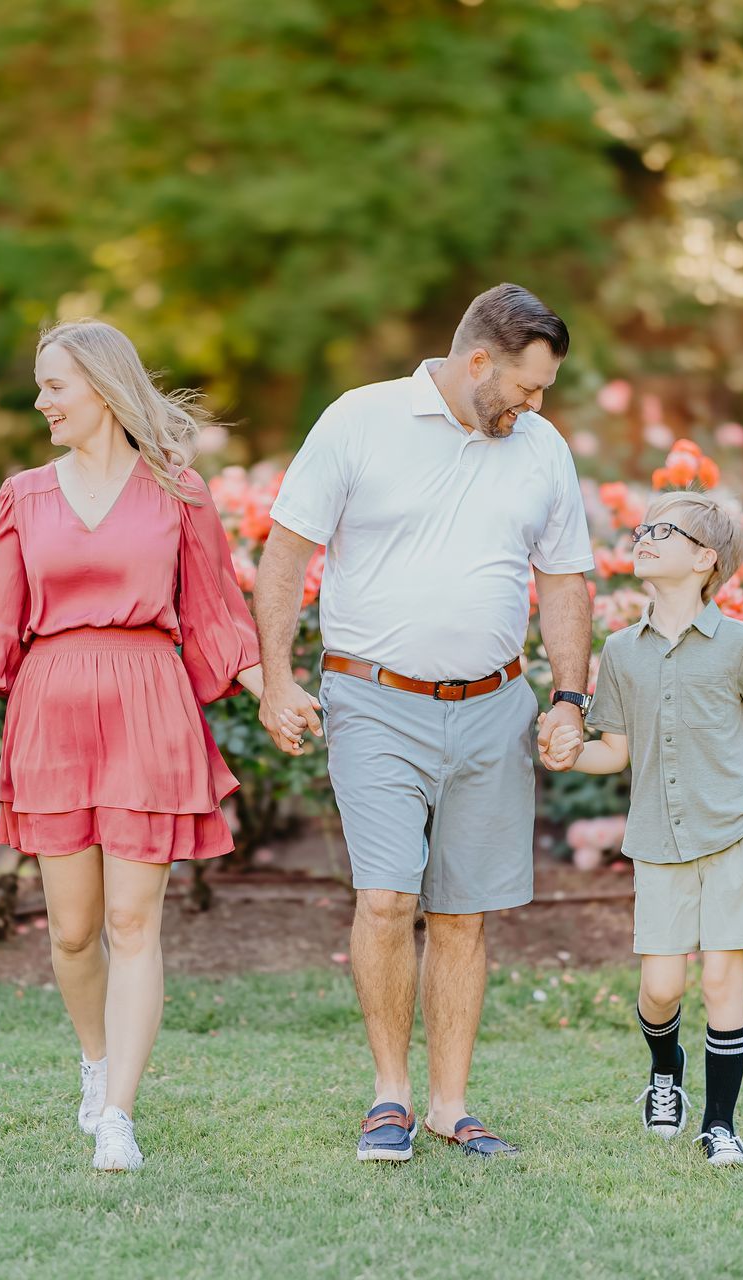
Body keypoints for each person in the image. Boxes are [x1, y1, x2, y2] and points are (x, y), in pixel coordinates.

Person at [253, 284, 595, 1161]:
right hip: (373, 699)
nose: (536, 405)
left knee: (465, 914)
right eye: (526, 386)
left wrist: (568, 697)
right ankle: (390, 1097)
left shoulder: (540, 447)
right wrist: (278, 680)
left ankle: (449, 1103)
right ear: (478, 361)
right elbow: (287, 548)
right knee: (387, 897)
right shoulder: (359, 420)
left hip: (494, 706)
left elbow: (563, 576)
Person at [0, 320, 263, 1172]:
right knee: (75, 931)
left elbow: (215, 615)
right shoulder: (24, 495)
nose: (42, 401)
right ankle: (95, 1064)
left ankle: (118, 1111)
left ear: (102, 388)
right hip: (51, 709)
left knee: (133, 920)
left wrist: (276, 695)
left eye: (55, 385)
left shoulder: (179, 492)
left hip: (148, 705)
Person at [541, 489, 743, 1167]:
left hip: (732, 836)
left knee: (720, 980)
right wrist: (566, 749)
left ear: (704, 559)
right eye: (642, 527)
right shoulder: (622, 652)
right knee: (660, 990)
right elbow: (615, 752)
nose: (643, 536)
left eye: (664, 531)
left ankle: (720, 1126)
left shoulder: (740, 643)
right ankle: (665, 1071)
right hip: (657, 844)